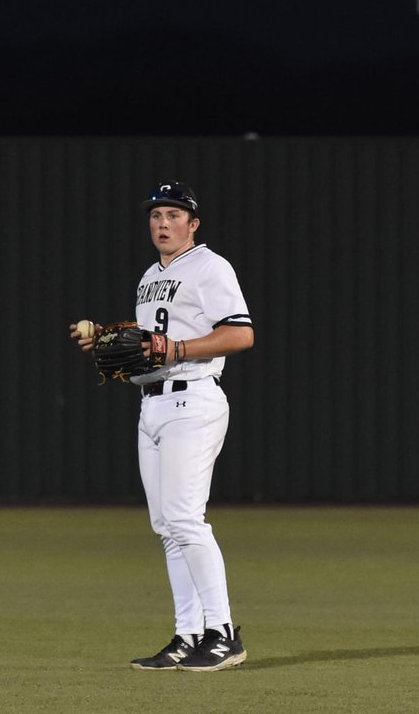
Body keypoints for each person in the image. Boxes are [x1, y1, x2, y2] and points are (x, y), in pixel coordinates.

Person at [71, 180, 255, 672]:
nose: (163, 223)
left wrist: (177, 349)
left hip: (193, 399)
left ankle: (223, 633)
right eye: (156, 215)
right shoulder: (151, 275)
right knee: (167, 528)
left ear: (193, 224)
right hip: (152, 406)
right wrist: (108, 339)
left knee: (185, 520)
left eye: (174, 215)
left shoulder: (210, 266)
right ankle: (188, 635)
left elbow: (241, 334)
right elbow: (151, 341)